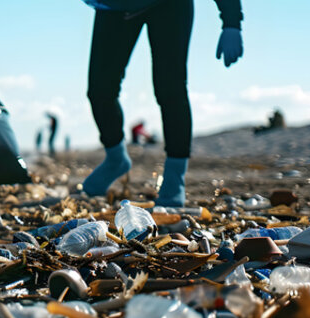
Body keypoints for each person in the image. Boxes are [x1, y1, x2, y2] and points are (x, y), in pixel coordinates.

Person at [80, 0, 244, 207]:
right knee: (100, 90)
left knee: (170, 88)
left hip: (170, 5)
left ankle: (175, 177)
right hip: (115, 6)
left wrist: (231, 22)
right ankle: (115, 159)